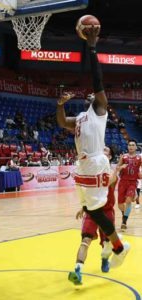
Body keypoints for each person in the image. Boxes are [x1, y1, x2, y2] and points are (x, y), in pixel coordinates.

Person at [56, 27, 130, 285]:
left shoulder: (99, 109)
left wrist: (92, 47)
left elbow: (97, 80)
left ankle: (118, 248)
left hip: (97, 161)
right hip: (83, 165)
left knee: (95, 209)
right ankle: (118, 248)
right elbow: (62, 121)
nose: (94, 94)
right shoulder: (80, 117)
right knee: (89, 208)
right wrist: (60, 105)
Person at [74, 146, 123, 277]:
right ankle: (78, 270)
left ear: (110, 156)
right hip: (92, 212)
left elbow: (109, 181)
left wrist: (117, 170)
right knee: (85, 240)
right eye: (101, 149)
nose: (102, 151)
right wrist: (83, 207)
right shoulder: (92, 171)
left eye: (106, 150)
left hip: (106, 212)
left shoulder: (111, 173)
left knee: (106, 243)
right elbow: (88, 193)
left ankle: (105, 259)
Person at [117, 140, 142, 231]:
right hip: (122, 182)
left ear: (136, 147)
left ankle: (124, 221)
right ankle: (124, 214)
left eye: (133, 145)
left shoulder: (139, 158)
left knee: (128, 200)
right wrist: (120, 167)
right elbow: (117, 168)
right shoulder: (123, 157)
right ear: (127, 147)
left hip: (132, 182)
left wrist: (140, 174)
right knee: (120, 204)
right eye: (129, 145)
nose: (131, 146)